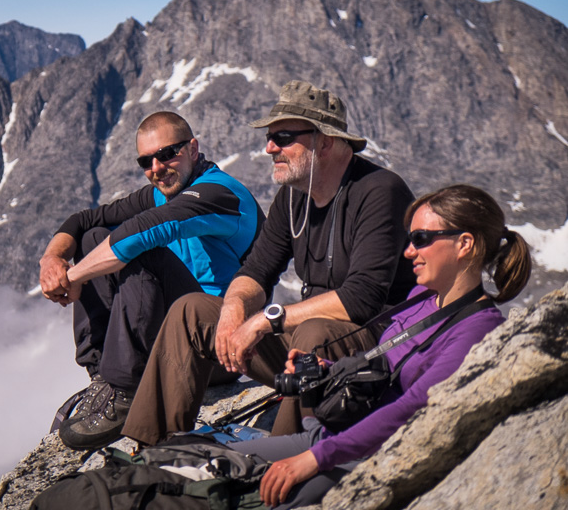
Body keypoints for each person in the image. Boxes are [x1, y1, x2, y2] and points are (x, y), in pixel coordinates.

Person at [121, 80, 417, 448]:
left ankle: (273, 465)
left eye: (284, 136)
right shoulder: (292, 197)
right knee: (191, 310)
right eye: (270, 136)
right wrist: (233, 308)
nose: (269, 147)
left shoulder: (378, 191)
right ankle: (152, 449)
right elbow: (256, 272)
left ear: (325, 140)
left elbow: (361, 299)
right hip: (307, 339)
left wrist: (263, 320)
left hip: (372, 345)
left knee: (314, 334)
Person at [227, 183, 532, 509]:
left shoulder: (478, 329)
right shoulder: (421, 298)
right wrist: (327, 371)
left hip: (373, 457)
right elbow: (383, 371)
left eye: (420, 240)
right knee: (212, 463)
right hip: (337, 439)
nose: (408, 252)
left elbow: (412, 407)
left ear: (464, 244)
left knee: (255, 498)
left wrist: (316, 458)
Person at [39, 111, 264, 450]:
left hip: (220, 349)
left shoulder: (221, 195)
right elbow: (84, 221)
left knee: (143, 249)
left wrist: (73, 276)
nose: (156, 168)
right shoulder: (161, 192)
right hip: (176, 336)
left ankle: (126, 390)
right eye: (146, 161)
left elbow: (150, 229)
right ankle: (104, 377)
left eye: (167, 153)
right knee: (95, 236)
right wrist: (51, 258)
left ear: (192, 148)